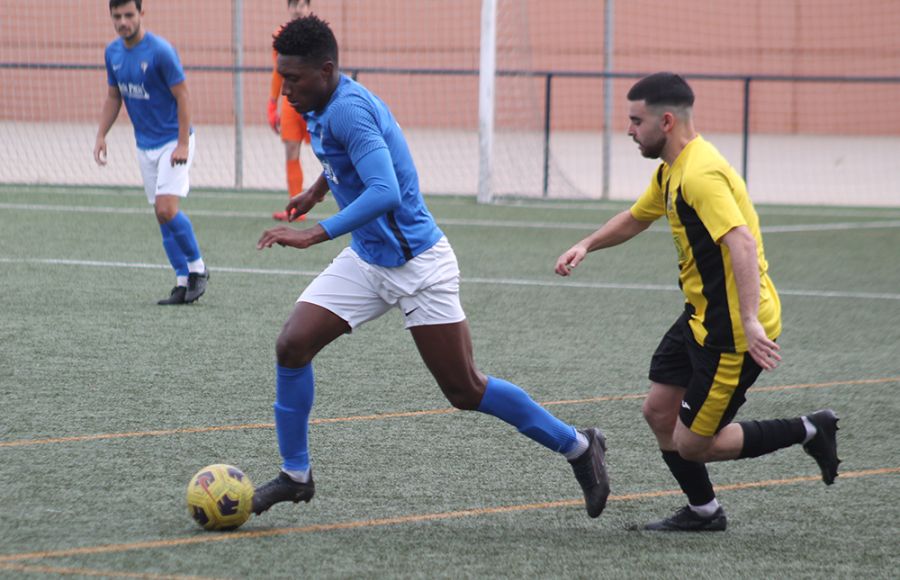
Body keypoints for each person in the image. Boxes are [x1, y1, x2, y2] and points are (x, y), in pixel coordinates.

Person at [253, 14, 610, 519]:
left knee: (465, 389)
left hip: (419, 265)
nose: (284, 88)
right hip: (368, 259)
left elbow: (385, 190)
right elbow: (345, 162)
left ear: (326, 69)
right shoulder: (321, 100)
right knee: (292, 344)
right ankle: (295, 476)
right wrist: (315, 190)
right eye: (281, 76)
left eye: (292, 78)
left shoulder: (348, 110)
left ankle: (579, 445)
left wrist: (316, 231)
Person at [554, 72, 840, 531]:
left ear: (665, 121)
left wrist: (749, 321)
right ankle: (705, 512)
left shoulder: (701, 173)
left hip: (731, 331)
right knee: (658, 412)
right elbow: (635, 217)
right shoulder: (672, 170)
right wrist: (587, 244)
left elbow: (741, 244)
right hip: (701, 316)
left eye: (635, 120)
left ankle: (811, 428)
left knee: (693, 444)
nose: (628, 130)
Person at [94, 0, 209, 305]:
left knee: (166, 209)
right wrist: (101, 135)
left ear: (141, 14)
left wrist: (183, 142)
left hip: (173, 140)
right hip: (144, 146)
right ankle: (182, 281)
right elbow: (113, 96)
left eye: (129, 15)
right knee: (161, 217)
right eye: (117, 16)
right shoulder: (112, 53)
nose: (123, 22)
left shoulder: (161, 51)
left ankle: (198, 269)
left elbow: (183, 96)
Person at [268, 0, 312, 221]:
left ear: (309, 6)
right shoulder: (280, 36)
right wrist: (272, 103)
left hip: (314, 103)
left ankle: (356, 203)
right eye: (293, 4)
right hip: (290, 105)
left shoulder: (317, 35)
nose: (297, 9)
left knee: (332, 151)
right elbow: (278, 73)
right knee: (291, 152)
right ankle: (297, 208)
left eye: (302, 4)